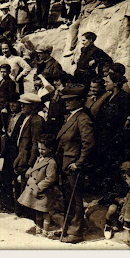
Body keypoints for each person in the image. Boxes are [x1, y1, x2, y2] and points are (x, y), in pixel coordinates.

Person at [54, 83, 95, 244]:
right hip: (65, 164)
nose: (67, 103)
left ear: (80, 101)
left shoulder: (83, 118)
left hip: (73, 166)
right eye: (66, 100)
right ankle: (67, 227)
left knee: (75, 199)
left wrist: (79, 163)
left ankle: (76, 232)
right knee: (68, 197)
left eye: (71, 100)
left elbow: (88, 144)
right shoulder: (72, 116)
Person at [17, 134, 59, 237]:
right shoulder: (39, 158)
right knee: (38, 211)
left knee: (45, 213)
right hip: (37, 190)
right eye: (39, 148)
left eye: (43, 149)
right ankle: (38, 229)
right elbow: (35, 169)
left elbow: (50, 178)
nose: (40, 151)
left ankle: (45, 231)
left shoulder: (51, 162)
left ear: (50, 149)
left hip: (44, 192)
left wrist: (39, 187)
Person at [103, 161, 130, 243]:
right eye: (122, 172)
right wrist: (117, 199)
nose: (124, 175)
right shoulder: (115, 181)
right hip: (117, 203)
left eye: (126, 172)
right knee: (112, 209)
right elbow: (107, 195)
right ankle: (108, 225)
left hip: (127, 205)